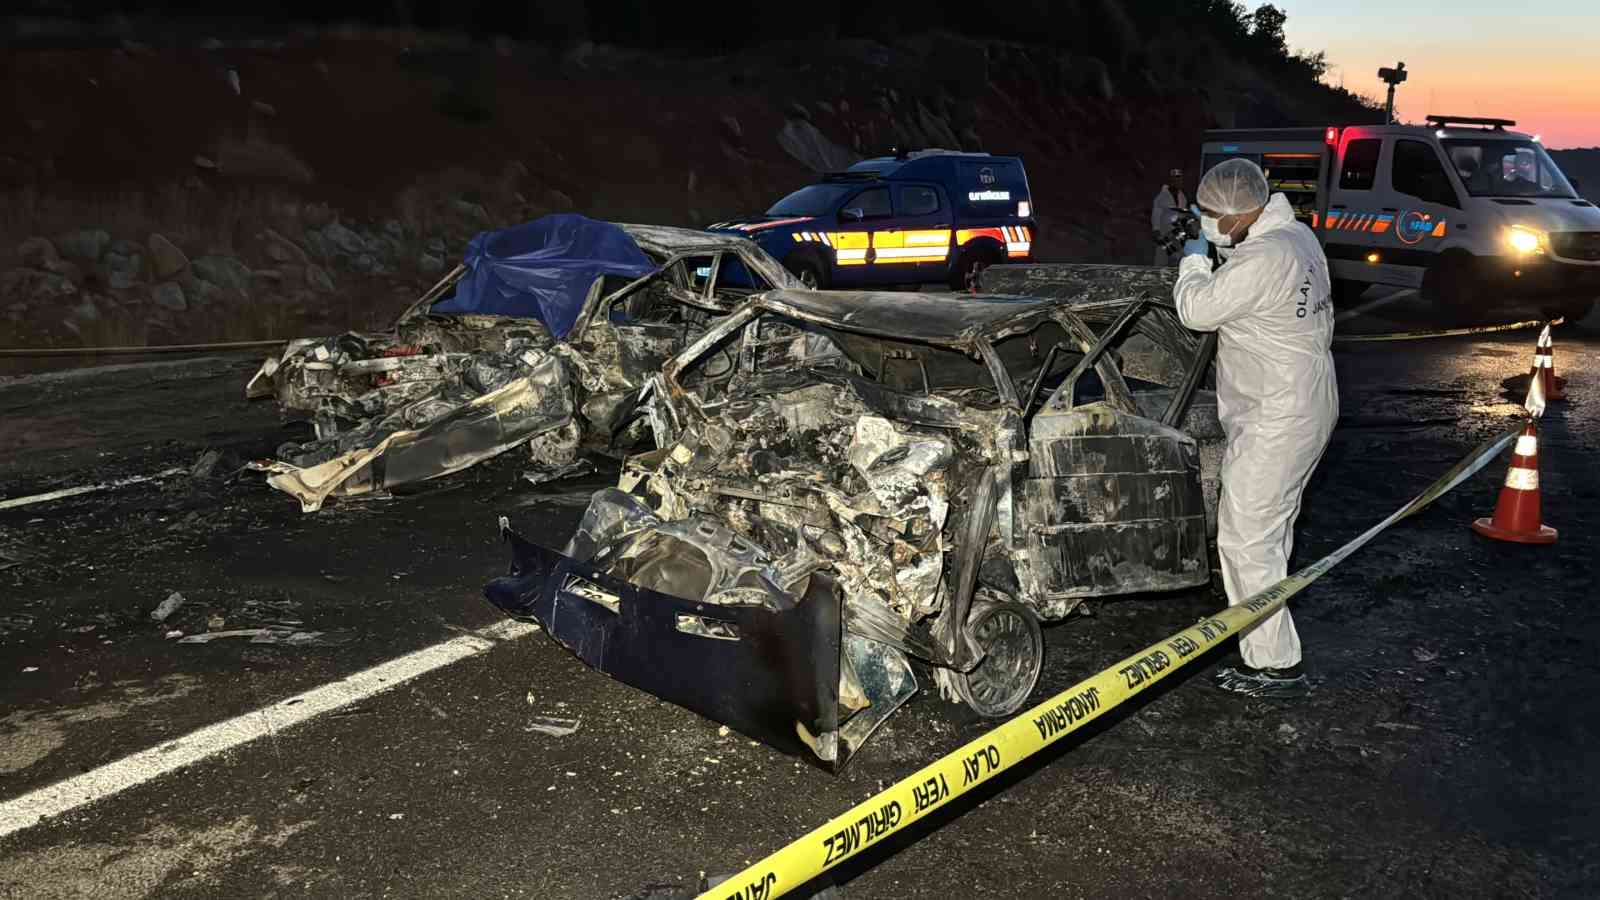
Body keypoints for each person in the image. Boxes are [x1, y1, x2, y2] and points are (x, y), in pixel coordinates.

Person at [1173, 158, 1338, 699]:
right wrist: (1218, 249)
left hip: (1277, 413)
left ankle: (1273, 664)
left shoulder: (1265, 257)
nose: (1206, 224)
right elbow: (1251, 274)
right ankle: (1268, 648)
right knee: (1269, 532)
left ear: (1240, 214)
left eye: (1211, 216)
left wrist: (1193, 263)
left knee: (1246, 538)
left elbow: (1197, 310)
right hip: (1303, 398)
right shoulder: (1295, 238)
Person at [1151, 168, 1189, 267]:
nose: (1178, 181)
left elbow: (1183, 213)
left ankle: (1175, 275)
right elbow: (1156, 213)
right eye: (1175, 179)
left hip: (1177, 230)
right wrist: (1156, 229)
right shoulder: (1162, 195)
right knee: (1162, 254)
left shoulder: (1182, 196)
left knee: (1178, 253)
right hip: (1164, 229)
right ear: (1171, 180)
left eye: (1180, 179)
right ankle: (1158, 274)